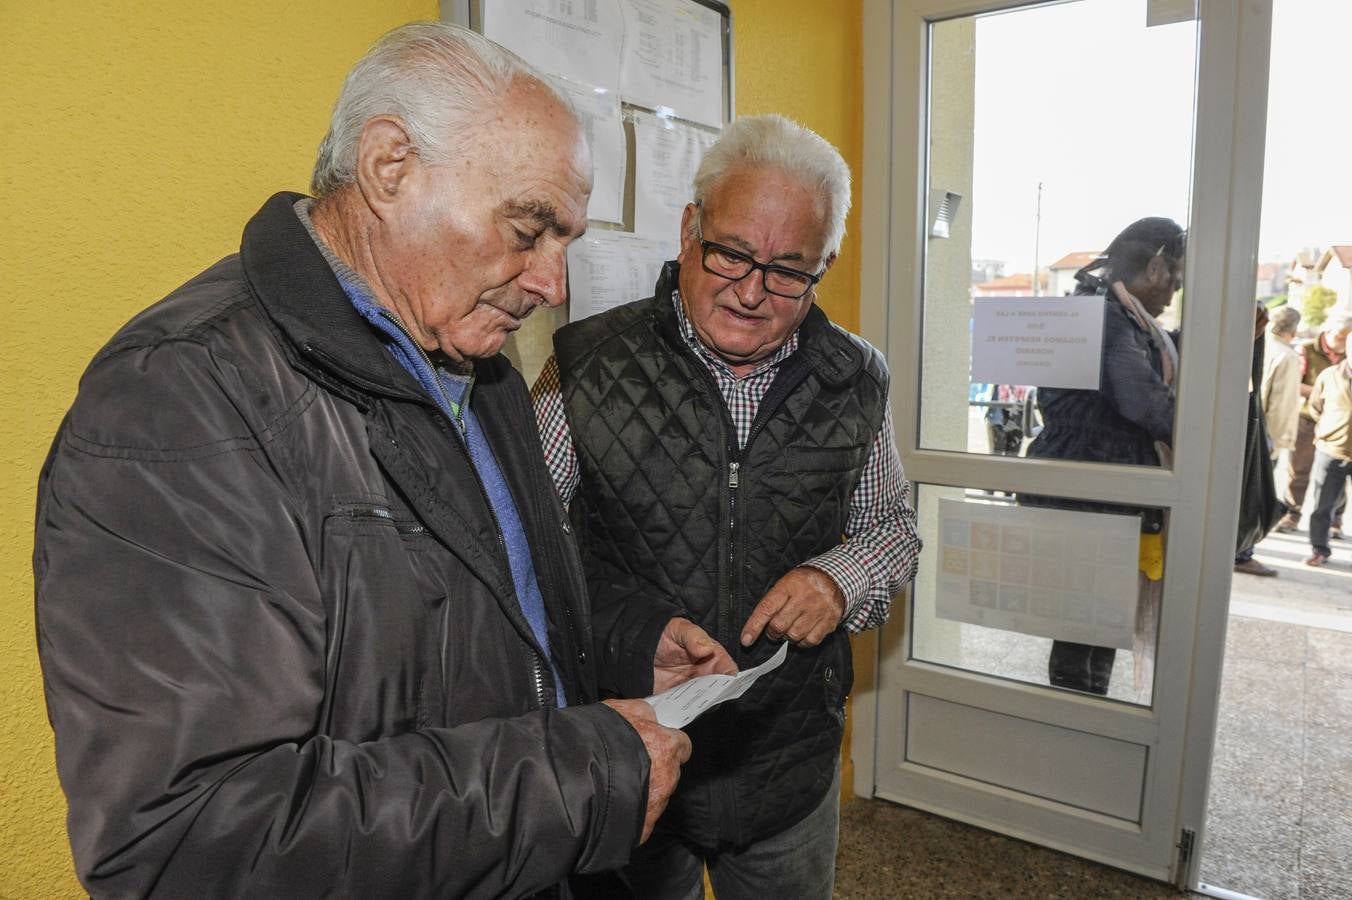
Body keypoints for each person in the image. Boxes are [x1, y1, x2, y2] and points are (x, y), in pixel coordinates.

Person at [33, 23, 728, 899]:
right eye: (527, 228)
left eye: (567, 243)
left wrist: (622, 646)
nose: (553, 285)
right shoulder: (180, 402)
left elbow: (485, 593)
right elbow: (192, 839)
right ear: (389, 167)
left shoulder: (475, 352)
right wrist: (580, 775)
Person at [532, 114, 922, 900]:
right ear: (689, 229)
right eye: (732, 253)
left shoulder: (857, 378)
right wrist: (627, 639)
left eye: (787, 270)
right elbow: (529, 551)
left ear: (826, 266)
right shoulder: (583, 366)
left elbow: (894, 528)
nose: (751, 291)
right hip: (634, 754)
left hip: (786, 766)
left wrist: (838, 579)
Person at [1022, 217, 1185, 693]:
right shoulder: (1108, 322)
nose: (1175, 291)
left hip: (1094, 496)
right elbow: (1144, 403)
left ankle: (1086, 726)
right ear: (1155, 268)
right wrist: (1198, 426)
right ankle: (1078, 730)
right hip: (1088, 500)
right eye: (1174, 278)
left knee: (1097, 628)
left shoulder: (1114, 314)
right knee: (1082, 633)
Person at [1276, 312, 1351, 535]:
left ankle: (1335, 520)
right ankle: (1292, 514)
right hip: (1308, 420)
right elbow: (1295, 384)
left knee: (1336, 475)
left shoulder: (1346, 354)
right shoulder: (1307, 350)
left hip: (1341, 428)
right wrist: (1325, 389)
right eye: (1341, 335)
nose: (1342, 341)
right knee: (1299, 471)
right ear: (1331, 331)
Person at [1303, 354, 1352, 566]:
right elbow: (1315, 406)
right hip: (1331, 449)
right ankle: (1319, 549)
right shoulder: (1329, 375)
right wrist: (1330, 427)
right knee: (1322, 504)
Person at [1261, 305, 1303, 461]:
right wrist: (1273, 443)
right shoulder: (1287, 357)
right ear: (1293, 331)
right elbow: (1280, 406)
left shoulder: (1260, 345)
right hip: (1265, 437)